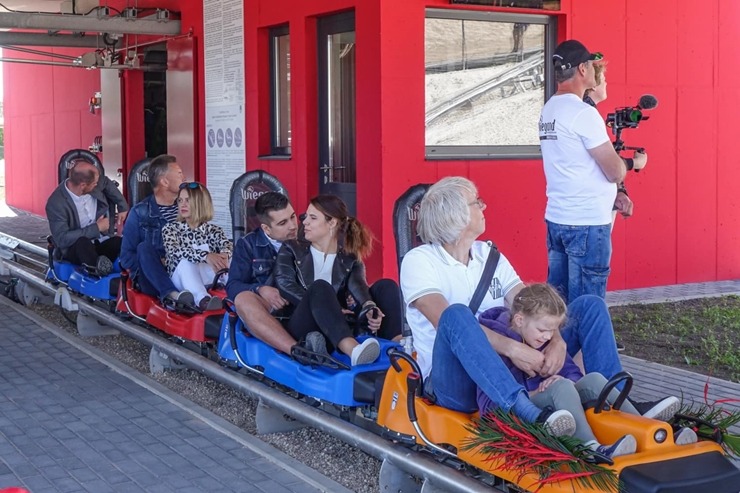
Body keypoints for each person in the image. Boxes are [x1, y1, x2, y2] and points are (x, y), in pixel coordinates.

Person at [399, 177, 678, 435]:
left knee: (590, 307)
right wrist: (514, 349)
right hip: (456, 379)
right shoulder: (420, 260)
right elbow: (446, 324)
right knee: (456, 315)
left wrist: (557, 341)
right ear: (454, 215)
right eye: (476, 202)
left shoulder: (488, 255)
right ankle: (522, 410)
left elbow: (533, 304)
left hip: (512, 366)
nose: (484, 206)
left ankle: (615, 398)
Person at [477, 283, 697, 456]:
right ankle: (589, 447)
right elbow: (494, 395)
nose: (547, 336)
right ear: (519, 320)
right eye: (543, 330)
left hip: (553, 398)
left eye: (552, 332)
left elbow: (571, 371)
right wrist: (537, 392)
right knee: (561, 386)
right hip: (523, 408)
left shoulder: (541, 339)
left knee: (592, 379)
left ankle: (649, 428)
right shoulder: (499, 346)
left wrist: (571, 381)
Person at [539, 39, 647, 304]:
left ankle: (560, 346)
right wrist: (632, 164)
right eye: (590, 64)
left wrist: (615, 193)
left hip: (558, 218)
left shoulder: (549, 109)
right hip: (586, 223)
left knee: (558, 302)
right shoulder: (583, 113)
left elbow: (578, 167)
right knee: (587, 303)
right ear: (582, 69)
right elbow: (613, 171)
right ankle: (584, 346)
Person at [275, 194, 403, 366]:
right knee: (320, 287)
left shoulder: (349, 259)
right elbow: (284, 284)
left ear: (332, 223)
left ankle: (399, 348)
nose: (304, 222)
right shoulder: (292, 248)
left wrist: (369, 307)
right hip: (302, 322)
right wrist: (324, 304)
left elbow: (359, 286)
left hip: (338, 323)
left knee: (387, 286)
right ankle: (353, 350)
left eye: (313, 218)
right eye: (306, 217)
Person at [226, 192, 301, 354]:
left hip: (301, 304)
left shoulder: (306, 238)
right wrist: (260, 289)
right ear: (266, 228)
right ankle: (296, 351)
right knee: (243, 299)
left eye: (293, 217)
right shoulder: (247, 245)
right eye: (283, 223)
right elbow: (232, 286)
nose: (293, 226)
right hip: (269, 310)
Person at [120, 154, 194, 305]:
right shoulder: (139, 213)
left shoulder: (189, 209)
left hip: (185, 271)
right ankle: (171, 294)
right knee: (143, 248)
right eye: (179, 174)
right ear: (164, 181)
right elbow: (126, 258)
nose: (184, 177)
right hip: (152, 278)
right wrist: (156, 262)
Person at [162, 182, 232, 311]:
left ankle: (236, 293)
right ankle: (203, 300)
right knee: (186, 262)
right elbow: (174, 251)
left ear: (200, 203)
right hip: (182, 279)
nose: (183, 204)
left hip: (209, 276)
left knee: (231, 259)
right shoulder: (171, 229)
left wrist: (225, 254)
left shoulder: (214, 230)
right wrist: (206, 256)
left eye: (188, 200)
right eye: (180, 200)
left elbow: (227, 245)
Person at [45, 161, 122, 275]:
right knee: (82, 243)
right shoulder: (56, 204)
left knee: (119, 242)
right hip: (74, 249)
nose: (97, 185)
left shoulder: (91, 186)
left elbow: (106, 183)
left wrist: (123, 207)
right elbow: (62, 239)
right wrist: (97, 228)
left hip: (96, 242)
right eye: (94, 183)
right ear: (83, 185)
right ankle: (97, 272)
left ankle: (117, 270)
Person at [583, 60, 634, 226]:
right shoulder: (587, 115)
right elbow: (609, 169)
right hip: (590, 214)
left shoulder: (589, 112)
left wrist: (620, 191)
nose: (606, 83)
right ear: (594, 85)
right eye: (603, 79)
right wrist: (633, 162)